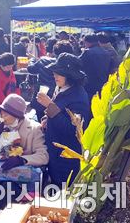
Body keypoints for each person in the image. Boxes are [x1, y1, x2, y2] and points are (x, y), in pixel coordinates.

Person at [0, 94, 49, 223]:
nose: (2, 116)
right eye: (2, 112)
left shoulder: (34, 128)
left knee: (6, 188)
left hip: (19, 178)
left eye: (6, 114)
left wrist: (22, 159)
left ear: (16, 115)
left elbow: (43, 156)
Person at [36, 53, 91, 189]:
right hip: (55, 152)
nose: (54, 75)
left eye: (59, 73)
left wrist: (50, 106)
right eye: (55, 72)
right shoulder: (61, 88)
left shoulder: (79, 96)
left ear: (70, 76)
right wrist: (46, 120)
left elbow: (72, 130)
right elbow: (59, 114)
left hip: (66, 158)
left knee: (62, 192)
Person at [27, 40, 73, 121]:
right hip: (59, 102)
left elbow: (31, 69)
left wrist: (32, 60)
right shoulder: (71, 67)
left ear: (54, 51)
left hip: (41, 99)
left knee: (41, 125)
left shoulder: (44, 60)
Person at [0, 53, 21, 127]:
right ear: (1, 65)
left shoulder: (8, 68)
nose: (10, 69)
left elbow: (13, 83)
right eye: (8, 67)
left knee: (6, 123)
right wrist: (9, 105)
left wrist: (17, 98)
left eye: (11, 66)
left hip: (7, 100)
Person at [79, 34, 113, 102]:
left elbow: (78, 63)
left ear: (87, 42)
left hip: (90, 84)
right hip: (104, 83)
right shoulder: (107, 53)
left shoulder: (87, 52)